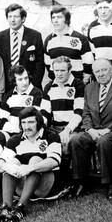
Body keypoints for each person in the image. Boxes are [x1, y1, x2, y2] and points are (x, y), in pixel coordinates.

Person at [68, 59, 112, 199]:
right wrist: (89, 129)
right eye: (97, 71)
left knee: (104, 142)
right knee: (76, 140)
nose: (101, 74)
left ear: (111, 69)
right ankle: (81, 181)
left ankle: (109, 183)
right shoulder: (89, 88)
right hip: (93, 129)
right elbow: (86, 112)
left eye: (104, 70)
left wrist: (110, 129)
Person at [0, 107, 62, 222]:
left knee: (35, 159)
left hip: (45, 185)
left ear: (39, 123)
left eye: (31, 122)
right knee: (11, 162)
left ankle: (21, 208)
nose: (26, 126)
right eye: (23, 123)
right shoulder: (15, 140)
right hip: (23, 186)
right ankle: (6, 208)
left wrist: (30, 168)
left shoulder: (51, 136)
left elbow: (55, 160)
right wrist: (11, 167)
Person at [40, 56, 85, 186]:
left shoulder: (78, 85)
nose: (59, 74)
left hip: (73, 128)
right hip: (54, 127)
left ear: (69, 70)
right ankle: (49, 180)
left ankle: (68, 182)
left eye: (62, 70)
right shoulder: (49, 86)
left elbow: (79, 112)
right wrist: (41, 128)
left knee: (65, 145)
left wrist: (68, 129)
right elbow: (44, 112)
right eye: (56, 70)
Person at [0, 3, 44, 90]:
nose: (12, 20)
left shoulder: (35, 36)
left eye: (16, 17)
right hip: (8, 87)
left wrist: (33, 86)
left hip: (30, 85)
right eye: (10, 17)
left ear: (23, 18)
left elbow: (40, 64)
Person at [44, 6, 94, 84]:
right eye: (53, 17)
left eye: (59, 17)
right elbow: (47, 64)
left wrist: (83, 82)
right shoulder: (49, 40)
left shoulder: (80, 38)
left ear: (67, 19)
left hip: (77, 85)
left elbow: (88, 62)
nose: (55, 20)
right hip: (57, 86)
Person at [0, 65, 43, 139]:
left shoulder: (37, 94)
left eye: (26, 78)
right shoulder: (9, 95)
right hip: (10, 134)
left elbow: (36, 120)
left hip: (29, 136)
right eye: (20, 79)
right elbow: (1, 119)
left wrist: (20, 131)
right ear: (14, 81)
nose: (24, 82)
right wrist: (13, 130)